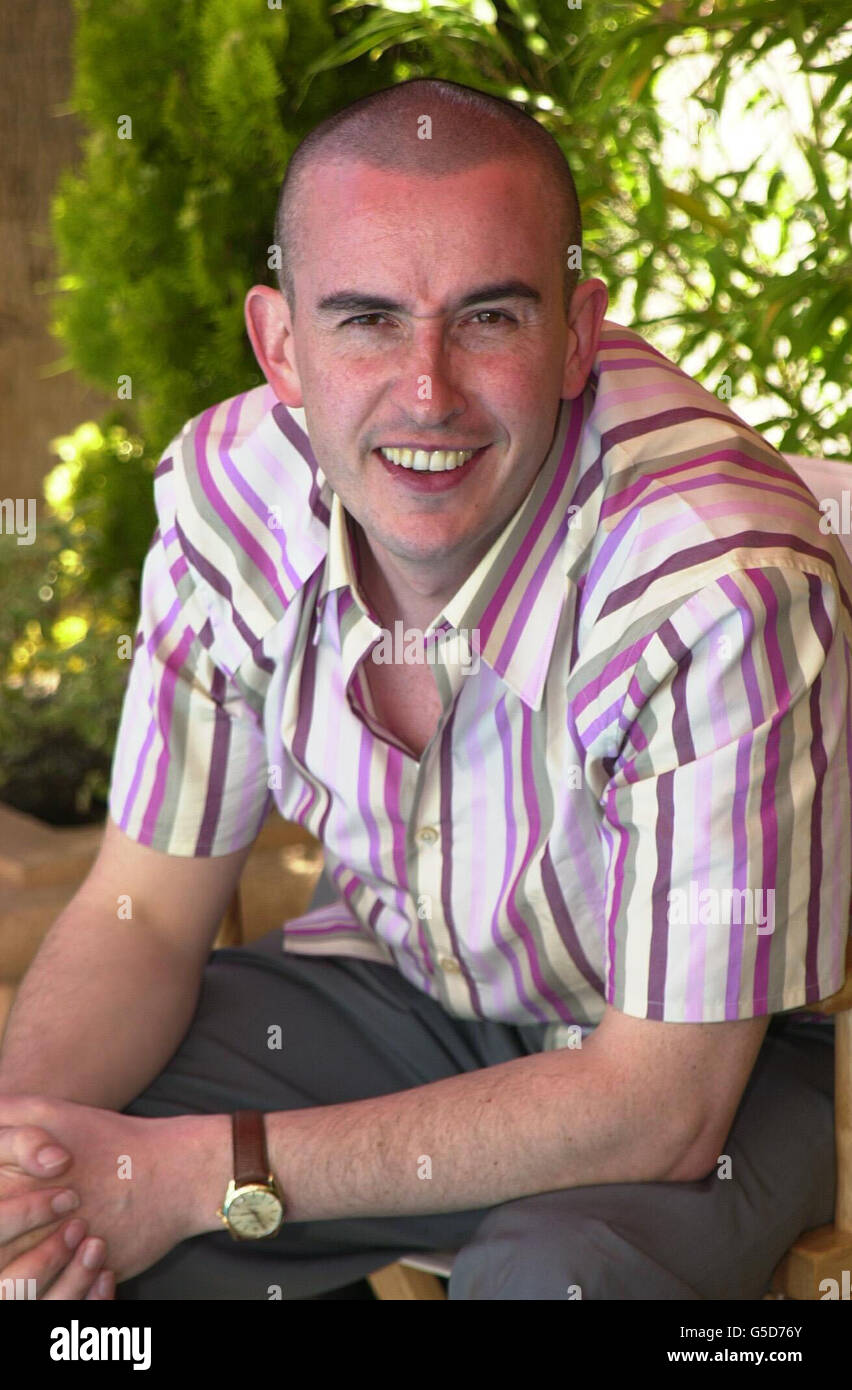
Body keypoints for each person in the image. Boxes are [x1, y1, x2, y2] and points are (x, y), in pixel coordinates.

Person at [0, 77, 849, 1302]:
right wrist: (31, 1167)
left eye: (489, 319)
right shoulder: (228, 499)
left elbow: (660, 1108)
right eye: (367, 321)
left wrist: (202, 1174)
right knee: (63, 1227)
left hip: (727, 1058)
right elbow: (143, 913)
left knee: (546, 1281)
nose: (428, 392)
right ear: (280, 343)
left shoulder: (714, 584)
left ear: (576, 332)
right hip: (407, 989)